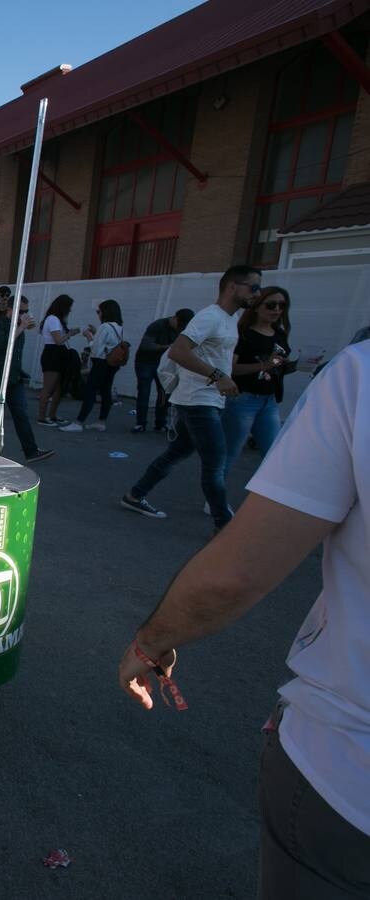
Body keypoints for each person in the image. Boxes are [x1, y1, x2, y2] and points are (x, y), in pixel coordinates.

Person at [116, 341, 370, 897]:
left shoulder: (359, 376)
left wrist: (151, 641)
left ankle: (200, 500)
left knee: (213, 461)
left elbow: (236, 574)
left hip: (348, 771)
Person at [121, 265, 262, 530]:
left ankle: (135, 495)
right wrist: (218, 376)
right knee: (215, 463)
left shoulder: (230, 319)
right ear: (233, 286)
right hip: (198, 400)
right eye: (254, 287)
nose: (258, 293)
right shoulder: (210, 317)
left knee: (178, 452)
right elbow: (178, 352)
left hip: (203, 399)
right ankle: (224, 523)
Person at [0, 297, 56, 464]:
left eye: (26, 311)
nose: (25, 314)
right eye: (22, 311)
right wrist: (21, 327)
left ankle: (31, 450)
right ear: (10, 310)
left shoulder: (17, 326)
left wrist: (23, 326)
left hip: (14, 377)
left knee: (20, 414)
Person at [222, 287, 294, 483]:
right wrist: (264, 364)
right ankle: (214, 500)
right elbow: (230, 369)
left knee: (273, 453)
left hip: (269, 400)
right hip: (243, 399)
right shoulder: (242, 333)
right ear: (256, 306)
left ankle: (270, 500)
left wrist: (298, 365)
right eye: (271, 305)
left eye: (282, 305)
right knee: (230, 453)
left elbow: (277, 368)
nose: (277, 309)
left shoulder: (279, 333)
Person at [62, 299, 125, 432]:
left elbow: (96, 349)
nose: (98, 314)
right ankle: (101, 421)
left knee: (90, 391)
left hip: (100, 362)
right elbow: (108, 345)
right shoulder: (118, 327)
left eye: (99, 311)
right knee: (105, 391)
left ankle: (79, 422)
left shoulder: (105, 326)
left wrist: (89, 337)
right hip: (112, 364)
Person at [132, 308, 194, 433]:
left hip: (164, 366)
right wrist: (168, 347)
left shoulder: (183, 330)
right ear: (175, 318)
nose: (179, 329)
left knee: (164, 394)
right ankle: (141, 423)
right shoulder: (157, 325)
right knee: (144, 392)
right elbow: (146, 345)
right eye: (179, 325)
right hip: (146, 362)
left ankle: (160, 423)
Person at [36, 294, 80, 425]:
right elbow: (58, 340)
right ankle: (42, 417)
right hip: (53, 353)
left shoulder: (57, 320)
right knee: (48, 387)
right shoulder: (53, 319)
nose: (70, 310)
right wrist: (70, 333)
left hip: (58, 354)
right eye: (69, 307)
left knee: (58, 388)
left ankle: (52, 414)